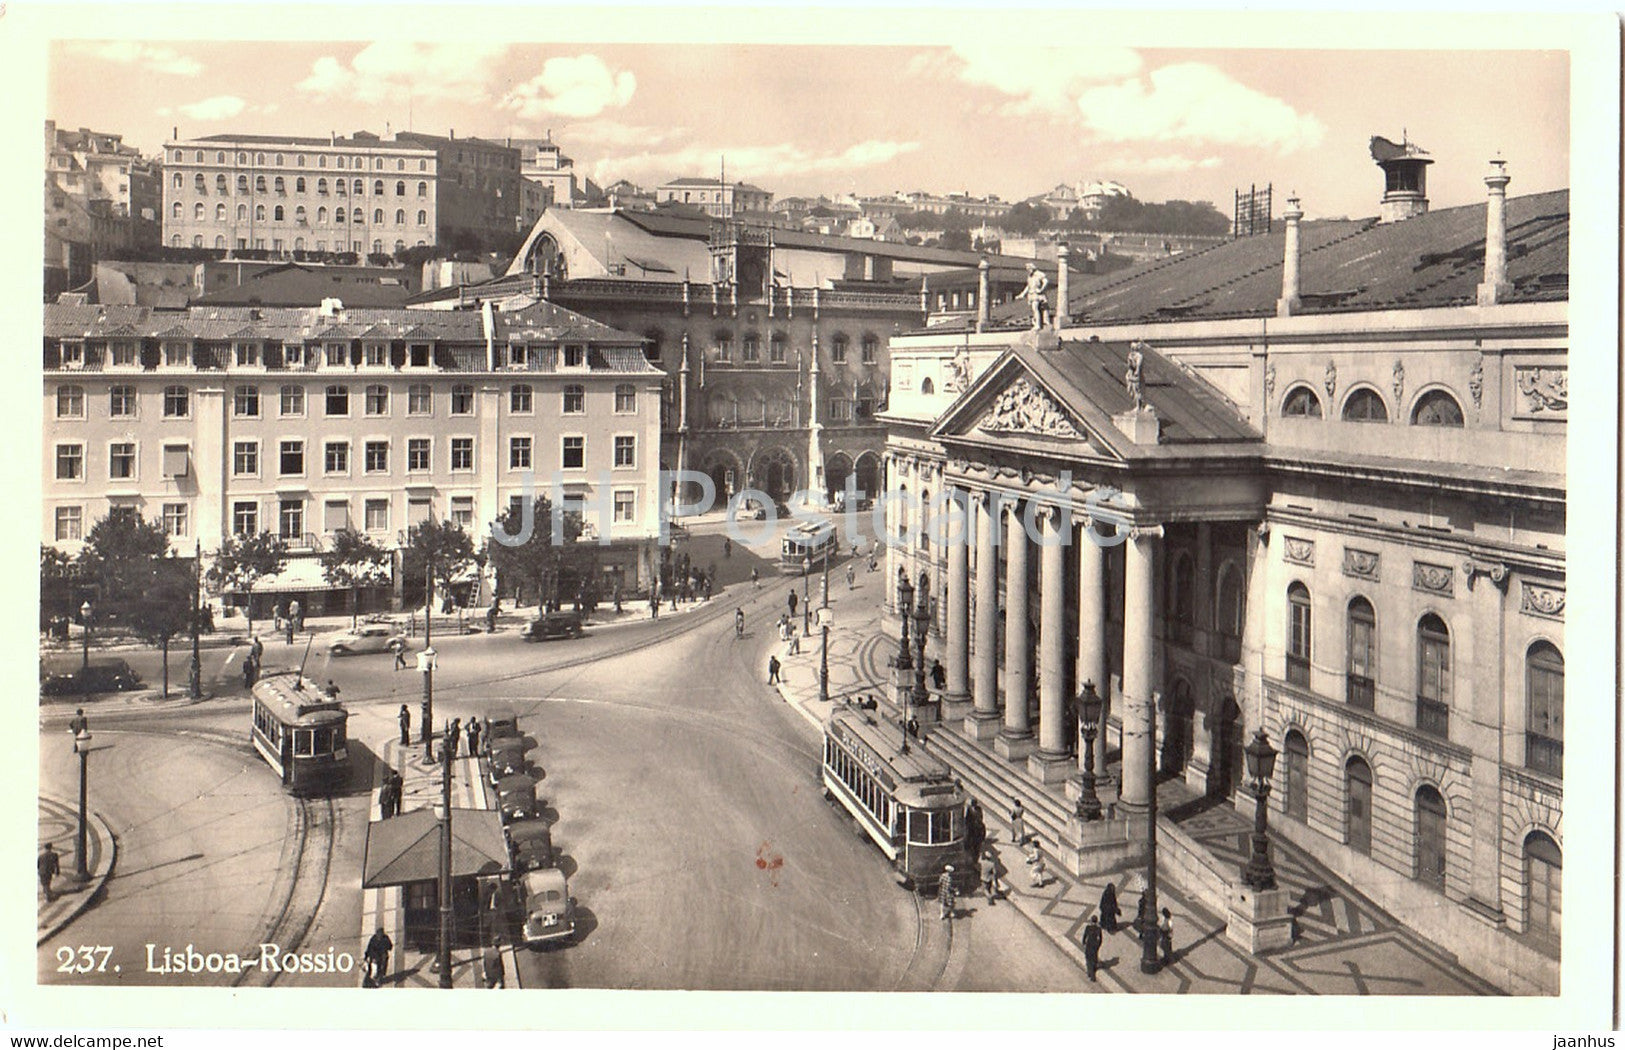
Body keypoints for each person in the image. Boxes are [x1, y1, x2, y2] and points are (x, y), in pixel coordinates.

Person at [1082, 915, 1103, 982]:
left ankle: (1090, 973)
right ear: (1096, 921)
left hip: (1089, 945)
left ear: (1091, 921)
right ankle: (1093, 970)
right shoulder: (1098, 929)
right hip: (1094, 945)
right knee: (1093, 958)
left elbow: (1085, 936)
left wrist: (1084, 943)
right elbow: (1100, 939)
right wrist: (1098, 946)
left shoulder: (1088, 927)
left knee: (1088, 958)